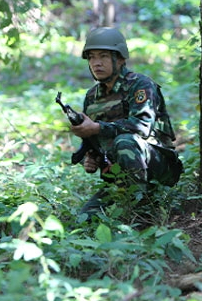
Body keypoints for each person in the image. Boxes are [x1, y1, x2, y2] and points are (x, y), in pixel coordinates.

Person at [68, 27, 183, 220]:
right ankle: (129, 200)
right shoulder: (92, 97)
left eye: (103, 56)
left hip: (157, 167)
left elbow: (142, 126)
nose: (96, 63)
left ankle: (141, 213)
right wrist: (91, 158)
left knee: (125, 142)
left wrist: (97, 128)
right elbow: (97, 140)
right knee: (85, 219)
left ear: (120, 59)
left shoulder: (140, 85)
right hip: (118, 173)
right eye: (91, 58)